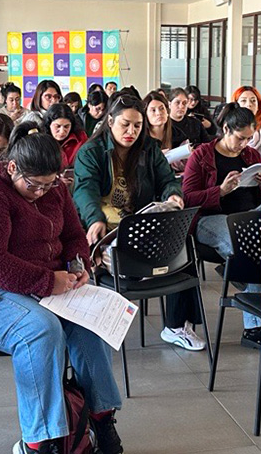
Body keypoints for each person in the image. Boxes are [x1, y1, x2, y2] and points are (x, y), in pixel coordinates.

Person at [0, 126, 123, 454]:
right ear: (12, 168)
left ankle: (100, 417)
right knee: (40, 330)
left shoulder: (54, 189)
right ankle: (41, 442)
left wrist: (78, 265)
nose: (42, 192)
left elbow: (73, 234)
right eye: (33, 185)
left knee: (90, 322)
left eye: (49, 183)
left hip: (36, 285)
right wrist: (47, 281)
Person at [72, 96, 205, 352]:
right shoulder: (92, 151)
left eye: (137, 125)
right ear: (110, 121)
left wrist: (172, 194)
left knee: (183, 247)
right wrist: (94, 219)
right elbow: (84, 189)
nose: (131, 132)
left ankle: (176, 326)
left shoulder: (148, 148)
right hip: (107, 228)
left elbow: (168, 180)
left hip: (139, 224)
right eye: (125, 124)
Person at [182, 104, 261, 352]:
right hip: (211, 218)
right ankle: (255, 327)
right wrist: (219, 191)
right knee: (251, 246)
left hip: (247, 217)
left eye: (248, 139)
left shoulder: (251, 156)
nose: (244, 144)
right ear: (226, 129)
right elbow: (188, 198)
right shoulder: (202, 155)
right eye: (240, 138)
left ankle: (243, 277)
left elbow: (260, 197)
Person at [41, 103, 87, 170]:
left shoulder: (81, 137)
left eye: (66, 126)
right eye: (57, 126)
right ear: (49, 124)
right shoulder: (40, 140)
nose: (62, 131)